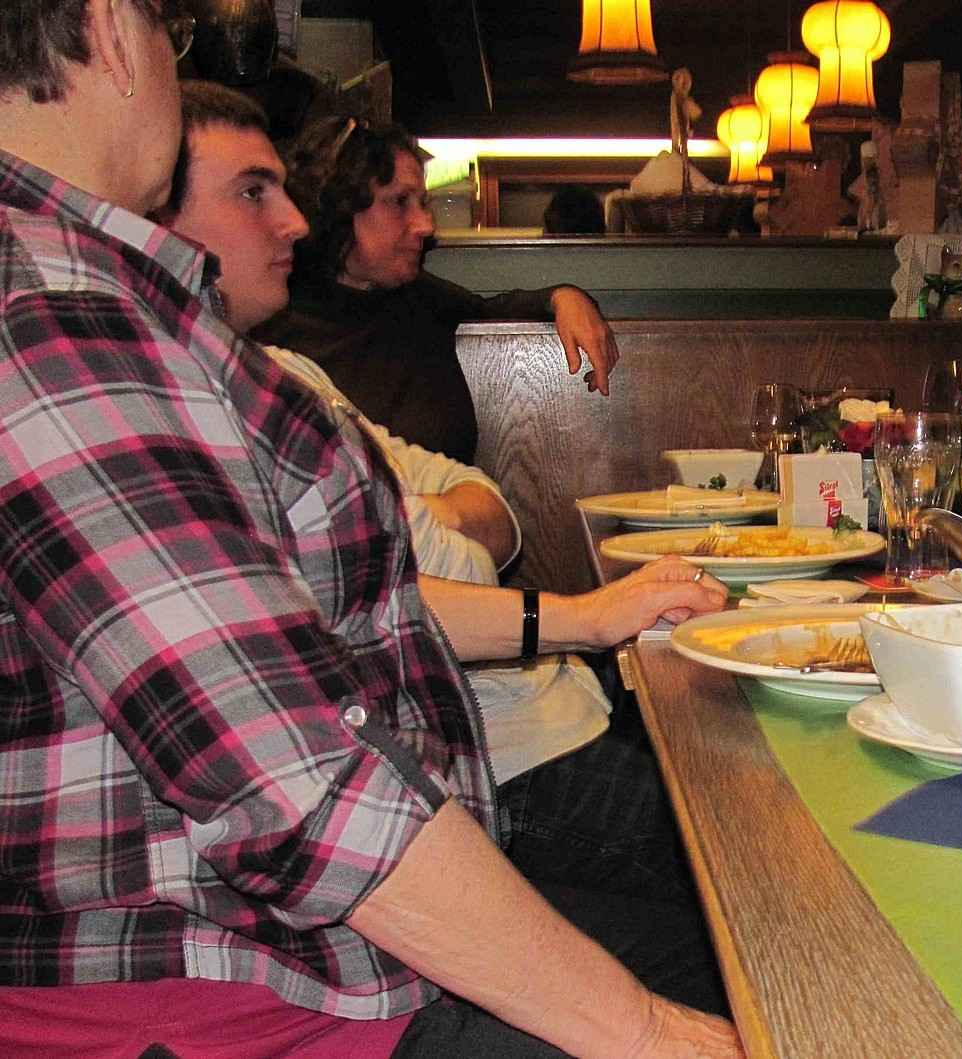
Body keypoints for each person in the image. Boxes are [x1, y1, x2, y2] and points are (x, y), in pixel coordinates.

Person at [0, 7, 739, 1056]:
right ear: (112, 30)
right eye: (167, 25)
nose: (295, 222)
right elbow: (289, 780)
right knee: (753, 952)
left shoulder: (108, 310)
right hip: (231, 992)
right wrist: (649, 1033)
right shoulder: (56, 314)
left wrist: (579, 615)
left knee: (738, 935)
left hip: (289, 943)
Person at [162, 80, 700, 910]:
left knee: (712, 745)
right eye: (252, 193)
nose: (290, 220)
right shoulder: (220, 395)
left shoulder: (289, 372)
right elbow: (392, 589)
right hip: (478, 750)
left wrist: (435, 519)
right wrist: (565, 601)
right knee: (737, 842)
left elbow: (485, 507)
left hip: (528, 695)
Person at [253, 115, 621, 465]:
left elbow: (495, 311)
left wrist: (565, 297)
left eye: (423, 204)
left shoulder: (421, 301)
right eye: (400, 202)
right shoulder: (270, 328)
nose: (425, 225)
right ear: (338, 207)